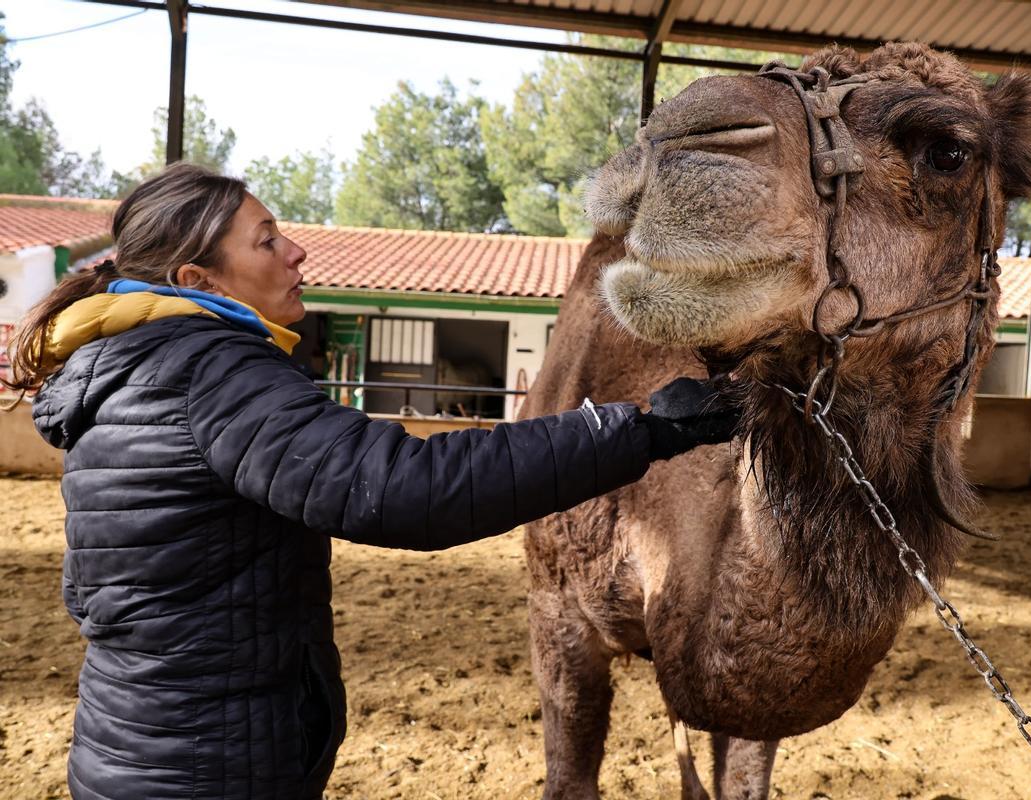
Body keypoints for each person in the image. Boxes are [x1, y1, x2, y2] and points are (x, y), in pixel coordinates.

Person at [1, 163, 737, 800]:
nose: (295, 251)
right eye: (266, 241)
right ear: (198, 280)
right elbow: (404, 487)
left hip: (139, 742)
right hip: (210, 763)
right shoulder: (208, 371)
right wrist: (639, 431)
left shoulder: (131, 365)